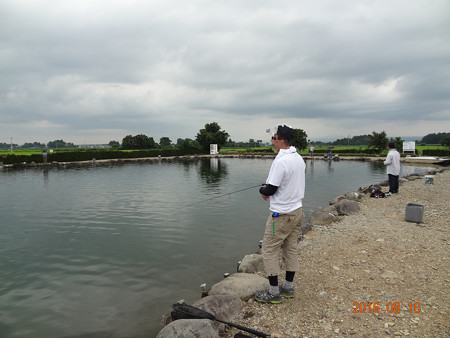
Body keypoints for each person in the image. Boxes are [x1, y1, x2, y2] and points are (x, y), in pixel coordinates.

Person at [255, 125, 306, 303]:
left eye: (274, 137)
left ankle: (274, 292)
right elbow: (284, 183)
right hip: (297, 211)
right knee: (290, 248)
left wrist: (263, 188)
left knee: (269, 249)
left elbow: (270, 190)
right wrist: (269, 186)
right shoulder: (298, 158)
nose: (272, 140)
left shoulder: (280, 161)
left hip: (281, 215)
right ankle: (288, 287)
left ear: (282, 140)